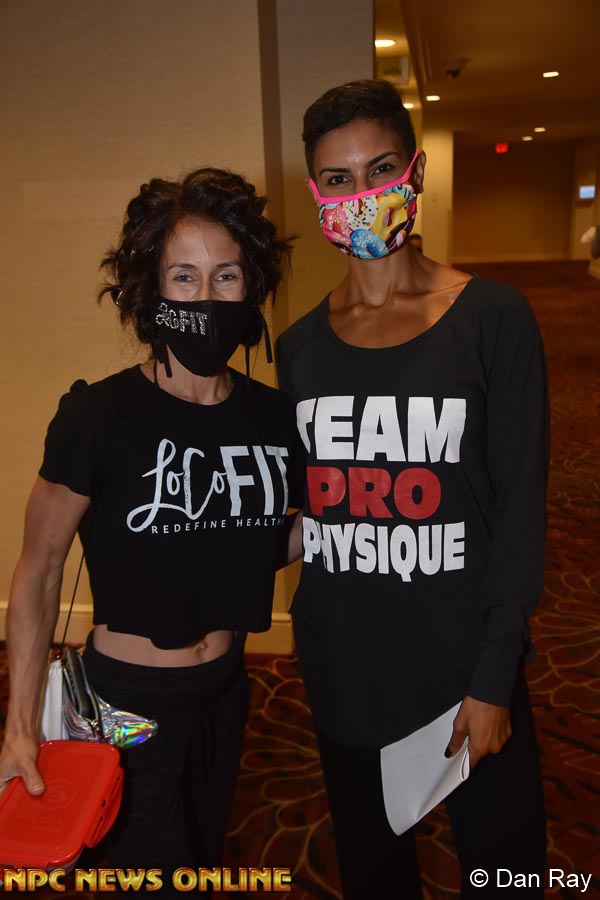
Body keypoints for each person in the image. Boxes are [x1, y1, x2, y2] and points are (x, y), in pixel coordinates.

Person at [276, 80, 548, 898]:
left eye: (381, 169)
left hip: (463, 666)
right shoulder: (299, 349)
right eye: (339, 179)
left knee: (505, 875)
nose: (361, 195)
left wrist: (492, 678)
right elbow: (316, 505)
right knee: (375, 878)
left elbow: (519, 515)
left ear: (415, 172)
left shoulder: (492, 318)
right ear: (317, 193)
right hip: (348, 668)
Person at [0, 167, 302, 888]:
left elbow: (251, 541)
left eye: (226, 276)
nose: (206, 297)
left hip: (226, 692)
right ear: (150, 290)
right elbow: (39, 570)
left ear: (252, 286)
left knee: (201, 861)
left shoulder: (273, 417)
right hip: (127, 706)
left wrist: (348, 517)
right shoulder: (98, 417)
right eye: (184, 278)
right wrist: (19, 725)